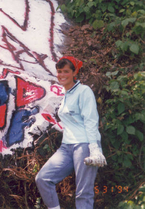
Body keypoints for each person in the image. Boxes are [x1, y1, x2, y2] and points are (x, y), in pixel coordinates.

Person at [35, 56, 107, 209]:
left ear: (75, 73)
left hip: (85, 145)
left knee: (83, 193)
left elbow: (90, 120)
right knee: (43, 178)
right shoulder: (66, 94)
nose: (62, 75)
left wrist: (94, 148)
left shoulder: (84, 91)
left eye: (66, 71)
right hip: (67, 146)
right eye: (59, 71)